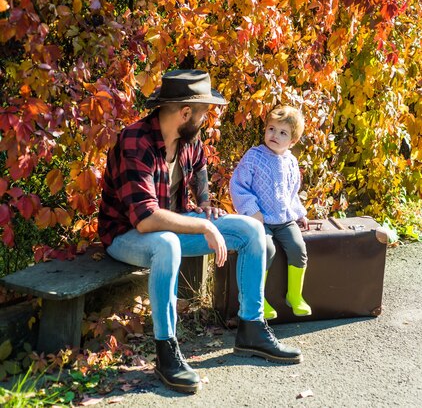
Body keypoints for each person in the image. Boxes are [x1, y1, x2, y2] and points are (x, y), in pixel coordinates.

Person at [98, 70, 302, 394]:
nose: (206, 120)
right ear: (186, 113)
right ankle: (167, 353)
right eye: (204, 112)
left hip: (172, 227)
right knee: (166, 244)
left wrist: (206, 204)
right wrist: (203, 224)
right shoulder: (134, 141)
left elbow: (201, 166)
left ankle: (252, 328)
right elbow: (145, 219)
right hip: (126, 236)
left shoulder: (188, 141)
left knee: (251, 230)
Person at [229, 105, 312, 321]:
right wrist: (252, 211)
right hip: (260, 218)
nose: (275, 135)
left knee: (298, 247)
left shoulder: (292, 162)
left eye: (283, 133)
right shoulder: (254, 157)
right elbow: (238, 186)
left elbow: (291, 193)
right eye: (272, 129)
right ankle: (258, 298)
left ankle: (294, 295)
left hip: (283, 219)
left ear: (292, 141)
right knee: (266, 248)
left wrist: (299, 213)